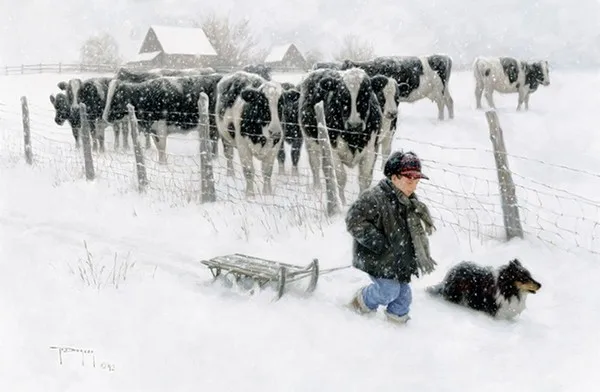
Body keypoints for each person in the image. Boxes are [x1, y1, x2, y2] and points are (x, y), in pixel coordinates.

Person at [346, 150, 437, 324]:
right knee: (388, 291)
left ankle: (397, 325)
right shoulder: (375, 198)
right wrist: (379, 243)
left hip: (398, 261)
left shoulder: (410, 203)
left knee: (404, 297)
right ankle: (361, 302)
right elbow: (354, 220)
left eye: (416, 179)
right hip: (378, 258)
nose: (413, 183)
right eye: (408, 178)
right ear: (394, 177)